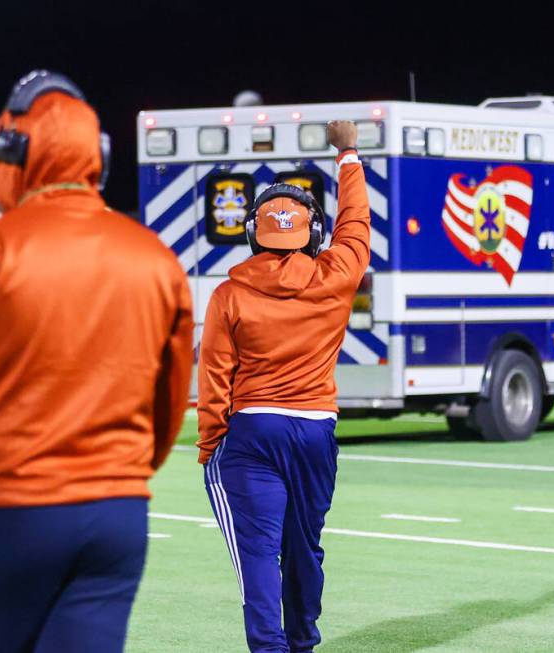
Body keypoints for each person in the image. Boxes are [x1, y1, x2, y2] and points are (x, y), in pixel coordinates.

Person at [0, 70, 193, 653]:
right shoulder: (153, 257)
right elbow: (170, 397)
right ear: (97, 155)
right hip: (117, 515)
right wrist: (120, 473)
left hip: (4, 507)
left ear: (8, 149)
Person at [197, 120, 369, 653]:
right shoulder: (335, 276)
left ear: (254, 233)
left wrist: (209, 447)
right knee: (304, 549)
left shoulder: (230, 294)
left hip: (253, 433)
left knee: (258, 553)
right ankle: (303, 643)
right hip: (316, 433)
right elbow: (357, 227)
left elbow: (215, 376)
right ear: (311, 235)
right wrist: (348, 154)